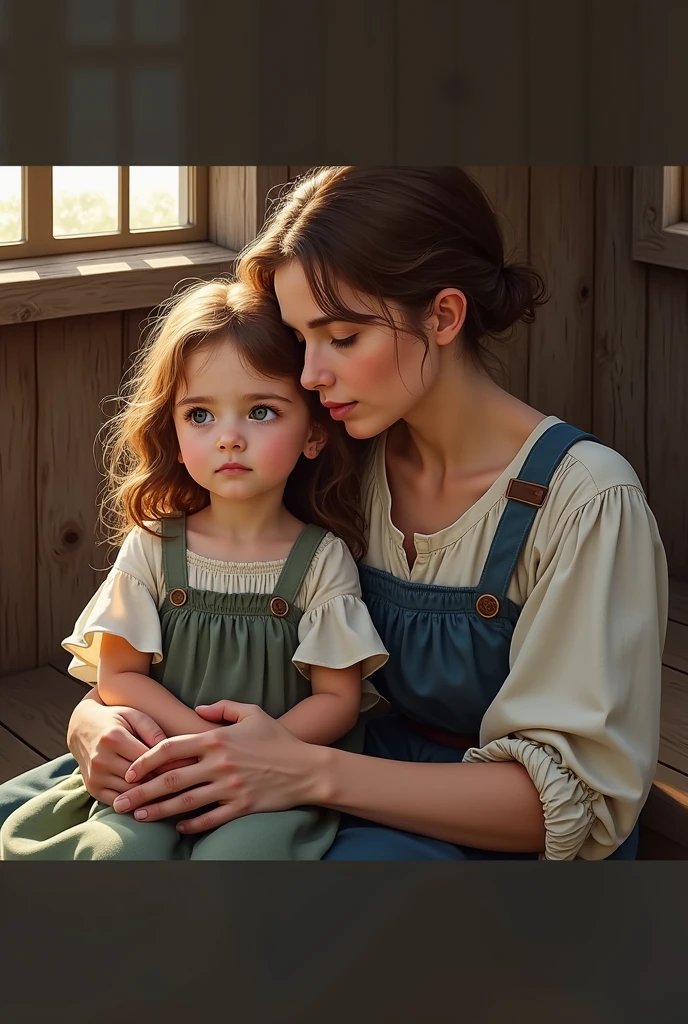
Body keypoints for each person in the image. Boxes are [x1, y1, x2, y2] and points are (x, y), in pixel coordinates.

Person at [0, 167, 667, 860]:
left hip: (469, 832)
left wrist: (304, 772)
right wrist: (94, 720)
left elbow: (561, 810)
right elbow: (186, 628)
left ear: (442, 316)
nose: (311, 376)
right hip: (296, 781)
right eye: (300, 340)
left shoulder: (587, 502)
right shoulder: (338, 458)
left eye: (342, 337)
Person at [0, 279, 386, 860]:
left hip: (269, 784)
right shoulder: (154, 547)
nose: (229, 438)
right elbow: (119, 678)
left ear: (312, 433)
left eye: (261, 411)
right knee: (116, 857)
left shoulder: (320, 560)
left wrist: (254, 756)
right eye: (200, 414)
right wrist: (199, 743)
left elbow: (337, 700)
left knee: (236, 865)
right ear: (175, 438)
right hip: (159, 763)